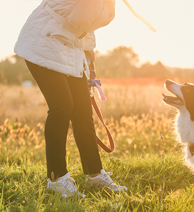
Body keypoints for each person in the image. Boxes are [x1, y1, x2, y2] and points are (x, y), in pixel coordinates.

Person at [14, 0, 127, 198]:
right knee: (62, 106)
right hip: (43, 41)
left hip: (71, 48)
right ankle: (56, 178)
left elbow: (87, 25)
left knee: (83, 111)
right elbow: (79, 16)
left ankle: (94, 174)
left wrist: (89, 59)